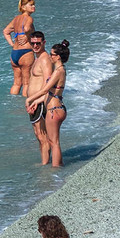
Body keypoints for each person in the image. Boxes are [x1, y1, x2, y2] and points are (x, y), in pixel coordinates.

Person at [43, 38, 69, 167]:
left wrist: (30, 99)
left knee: (54, 142)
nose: (50, 56)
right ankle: (60, 164)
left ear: (58, 57)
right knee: (54, 141)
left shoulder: (58, 71)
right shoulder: (61, 70)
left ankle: (56, 169)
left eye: (52, 54)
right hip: (58, 107)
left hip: (54, 109)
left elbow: (45, 90)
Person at [3, 0, 37, 95]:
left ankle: (13, 104)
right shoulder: (29, 18)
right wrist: (28, 35)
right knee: (26, 83)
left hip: (14, 53)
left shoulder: (16, 19)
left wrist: (12, 44)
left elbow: (5, 31)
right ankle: (24, 107)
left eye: (34, 4)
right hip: (25, 52)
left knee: (17, 83)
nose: (33, 6)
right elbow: (26, 28)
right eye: (30, 5)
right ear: (23, 7)